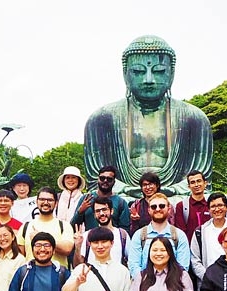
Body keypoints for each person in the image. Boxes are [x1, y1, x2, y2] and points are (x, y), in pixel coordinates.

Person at [84, 35, 212, 198]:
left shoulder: (194, 118)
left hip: (175, 197)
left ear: (171, 73)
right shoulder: (102, 119)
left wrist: (172, 190)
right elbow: (96, 182)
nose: (149, 79)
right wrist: (126, 190)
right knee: (102, 201)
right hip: (123, 197)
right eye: (138, 71)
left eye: (159, 71)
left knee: (206, 200)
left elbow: (203, 181)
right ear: (125, 74)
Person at [17, 187, 74, 268]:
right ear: (36, 202)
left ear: (56, 203)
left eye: (50, 200)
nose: (46, 202)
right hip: (32, 276)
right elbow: (21, 255)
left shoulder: (64, 225)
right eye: (42, 199)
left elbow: (67, 249)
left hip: (57, 276)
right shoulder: (26, 226)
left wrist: (39, 237)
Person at [73, 196, 130, 267]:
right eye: (97, 211)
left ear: (111, 211)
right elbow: (77, 266)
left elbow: (131, 260)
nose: (101, 213)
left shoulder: (122, 235)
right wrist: (78, 247)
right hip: (92, 276)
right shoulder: (87, 236)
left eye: (104, 209)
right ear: (94, 215)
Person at [71, 165, 130, 232]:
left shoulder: (120, 202)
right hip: (90, 240)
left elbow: (125, 230)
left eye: (109, 179)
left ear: (114, 182)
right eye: (102, 178)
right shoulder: (86, 199)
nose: (105, 181)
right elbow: (73, 227)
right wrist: (80, 212)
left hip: (112, 240)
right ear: (98, 179)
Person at [173, 170, 210, 242]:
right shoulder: (182, 206)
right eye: (193, 182)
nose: (196, 185)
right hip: (190, 247)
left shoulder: (210, 205)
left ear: (205, 183)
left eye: (199, 181)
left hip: (209, 246)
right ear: (189, 186)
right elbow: (181, 232)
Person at [129, 172, 161, 236]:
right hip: (142, 239)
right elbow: (133, 232)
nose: (148, 187)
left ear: (157, 185)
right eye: (144, 185)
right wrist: (134, 221)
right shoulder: (136, 205)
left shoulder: (165, 204)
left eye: (151, 184)